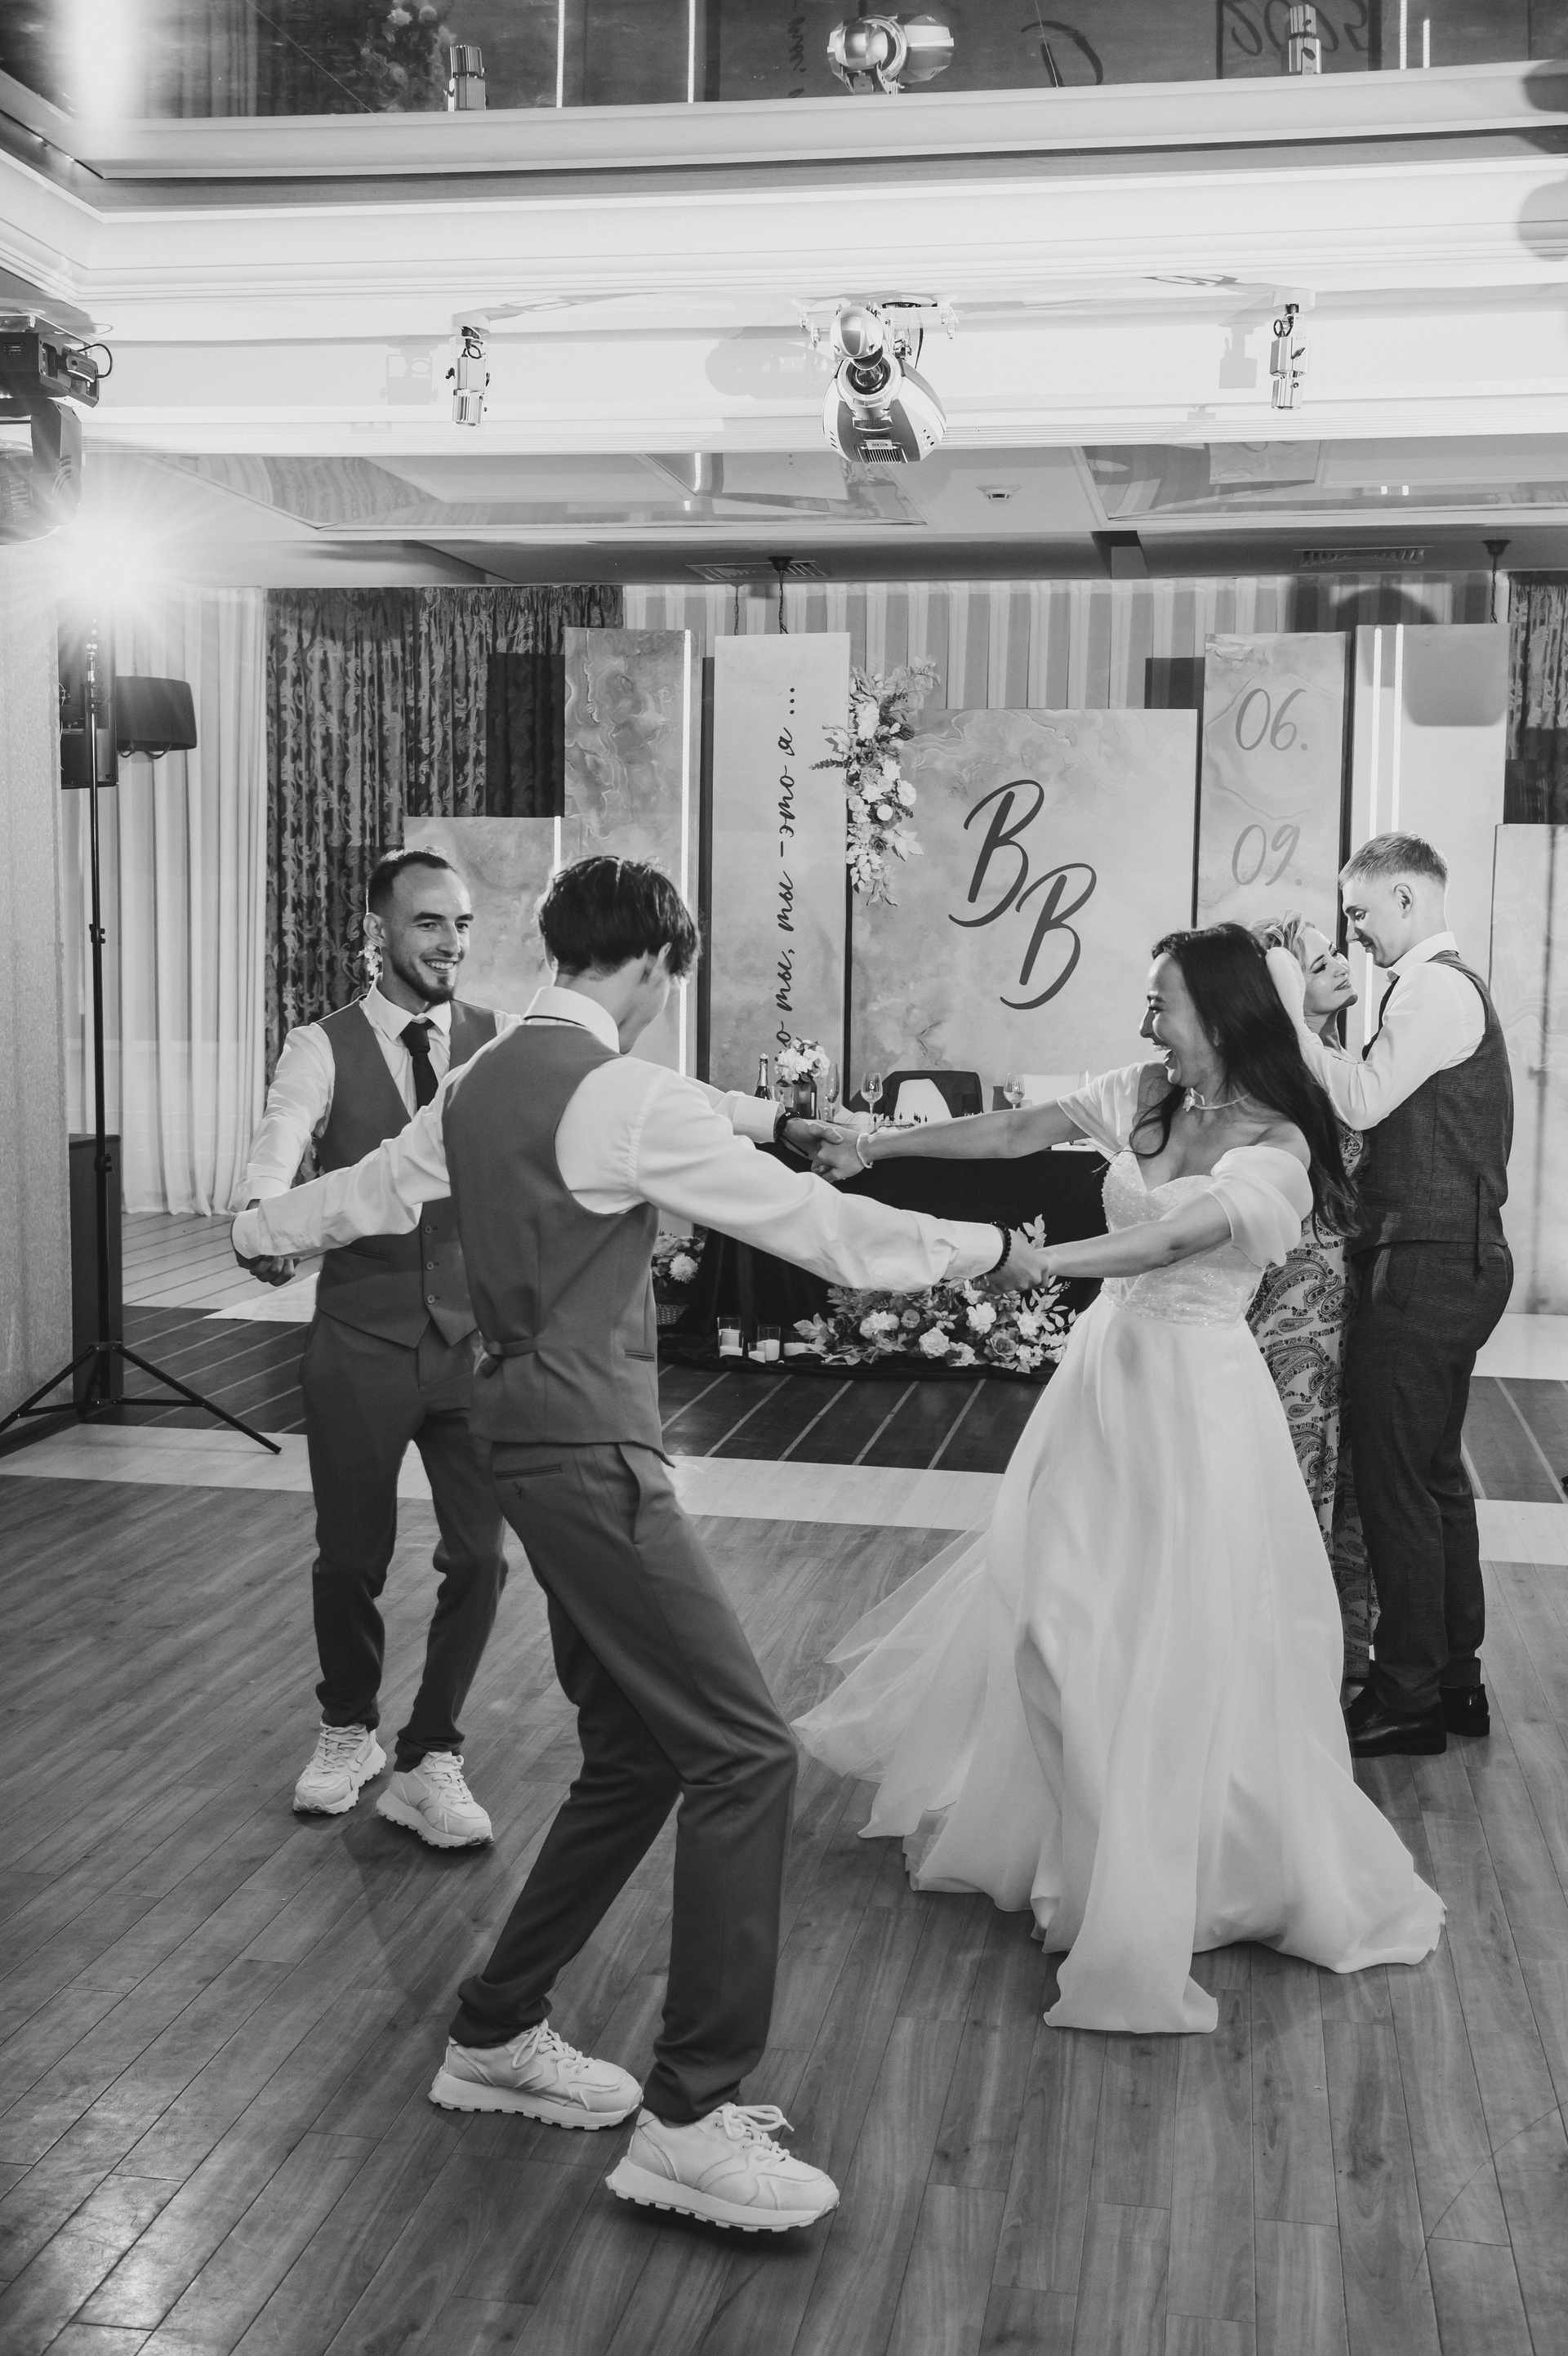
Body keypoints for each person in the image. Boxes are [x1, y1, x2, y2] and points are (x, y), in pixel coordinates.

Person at [232, 853, 1043, 2229]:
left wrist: (263, 1225)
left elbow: (366, 1191)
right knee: (744, 1754)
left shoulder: (478, 1084)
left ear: (557, 946)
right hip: (592, 1457)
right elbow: (822, 1232)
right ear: (661, 964)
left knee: (636, 1755)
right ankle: (690, 2117)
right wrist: (988, 1254)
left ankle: (495, 2030)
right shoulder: (619, 1094)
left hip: (523, 1443)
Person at [799, 924, 1442, 2037]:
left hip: (1196, 1405)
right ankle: (1078, 1835)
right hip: (1103, 1382)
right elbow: (1016, 1128)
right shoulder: (1146, 1091)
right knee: (1054, 1607)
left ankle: (1167, 1857)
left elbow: (1175, 1239)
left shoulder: (1282, 1142)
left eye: (1162, 1002)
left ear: (1224, 1015)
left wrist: (1032, 1261)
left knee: (1166, 1630)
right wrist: (876, 1146)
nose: (1147, 1020)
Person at [239, 848, 507, 1846]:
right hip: (358, 1340)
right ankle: (348, 1729)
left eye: (463, 922)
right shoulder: (321, 1045)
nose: (451, 942)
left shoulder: (500, 1040)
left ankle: (433, 1752)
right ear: (378, 932)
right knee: (351, 1557)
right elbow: (282, 1138)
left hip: (471, 1346)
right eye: (430, 921)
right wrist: (264, 1212)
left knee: (480, 1557)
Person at [1266, 831, 1513, 1759]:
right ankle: (1453, 1679)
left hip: (1426, 1261)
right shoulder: (1438, 990)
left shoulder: (1437, 990)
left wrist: (1294, 1023)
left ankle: (1407, 1694)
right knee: (1436, 1476)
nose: (1355, 931)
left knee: (1397, 1480)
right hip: (1451, 1256)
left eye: (1362, 911)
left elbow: (1364, 1100)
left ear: (1407, 898)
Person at [1247, 915, 1372, 1689]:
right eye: (1318, 964)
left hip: (1341, 1293)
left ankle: (1333, 1646)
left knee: (1337, 1455)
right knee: (1292, 1450)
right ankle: (1276, 1651)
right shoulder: (1284, 1075)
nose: (1340, 966)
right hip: (1290, 1287)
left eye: (1336, 954)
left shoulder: (1338, 1061)